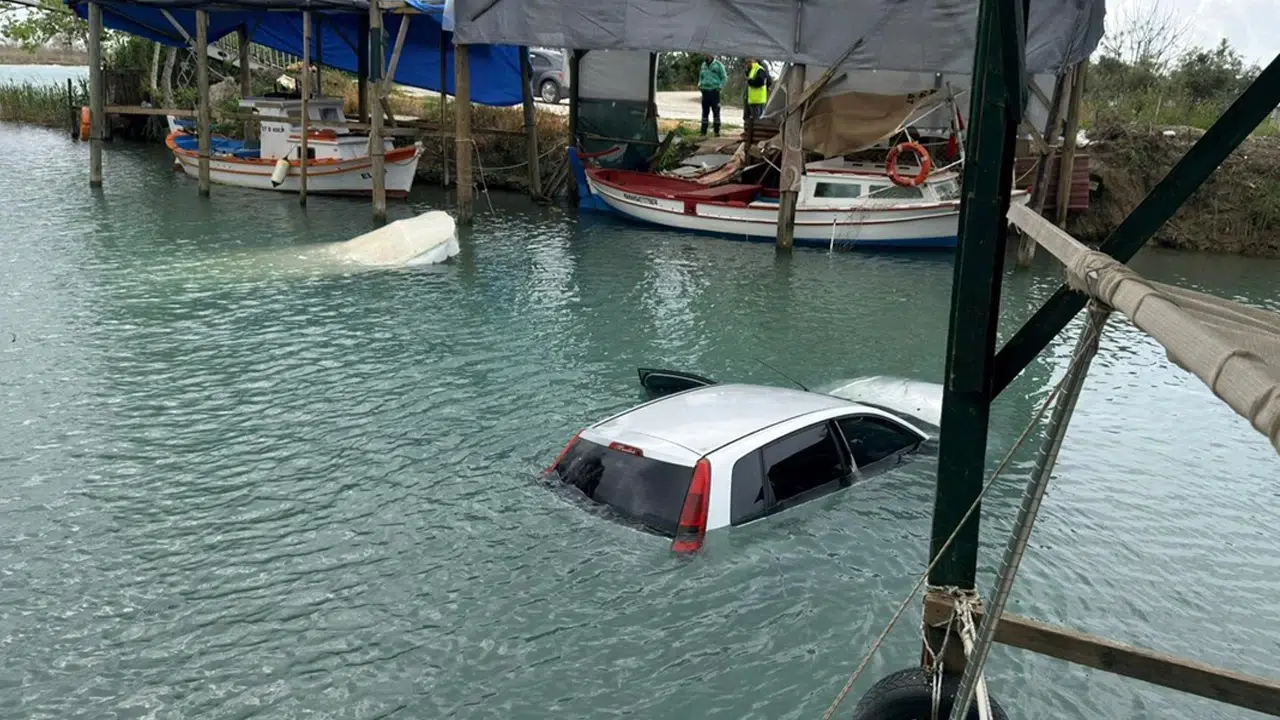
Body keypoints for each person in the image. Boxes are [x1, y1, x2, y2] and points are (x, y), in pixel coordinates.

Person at [697, 54, 727, 137]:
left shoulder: (718, 65)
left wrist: (720, 86)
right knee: (705, 112)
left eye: (707, 55)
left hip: (714, 91)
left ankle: (717, 131)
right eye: (704, 55)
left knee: (716, 111)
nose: (705, 56)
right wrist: (699, 83)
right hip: (705, 91)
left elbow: (724, 77)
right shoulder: (703, 65)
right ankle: (703, 132)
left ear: (711, 55)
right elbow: (701, 76)